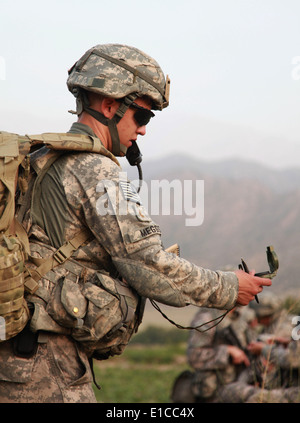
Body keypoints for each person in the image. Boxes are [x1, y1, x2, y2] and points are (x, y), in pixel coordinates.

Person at [0, 43, 271, 403]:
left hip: (15, 359)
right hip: (46, 367)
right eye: (143, 117)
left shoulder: (37, 159)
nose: (142, 131)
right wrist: (228, 287)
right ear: (110, 105)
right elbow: (148, 265)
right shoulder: (94, 169)